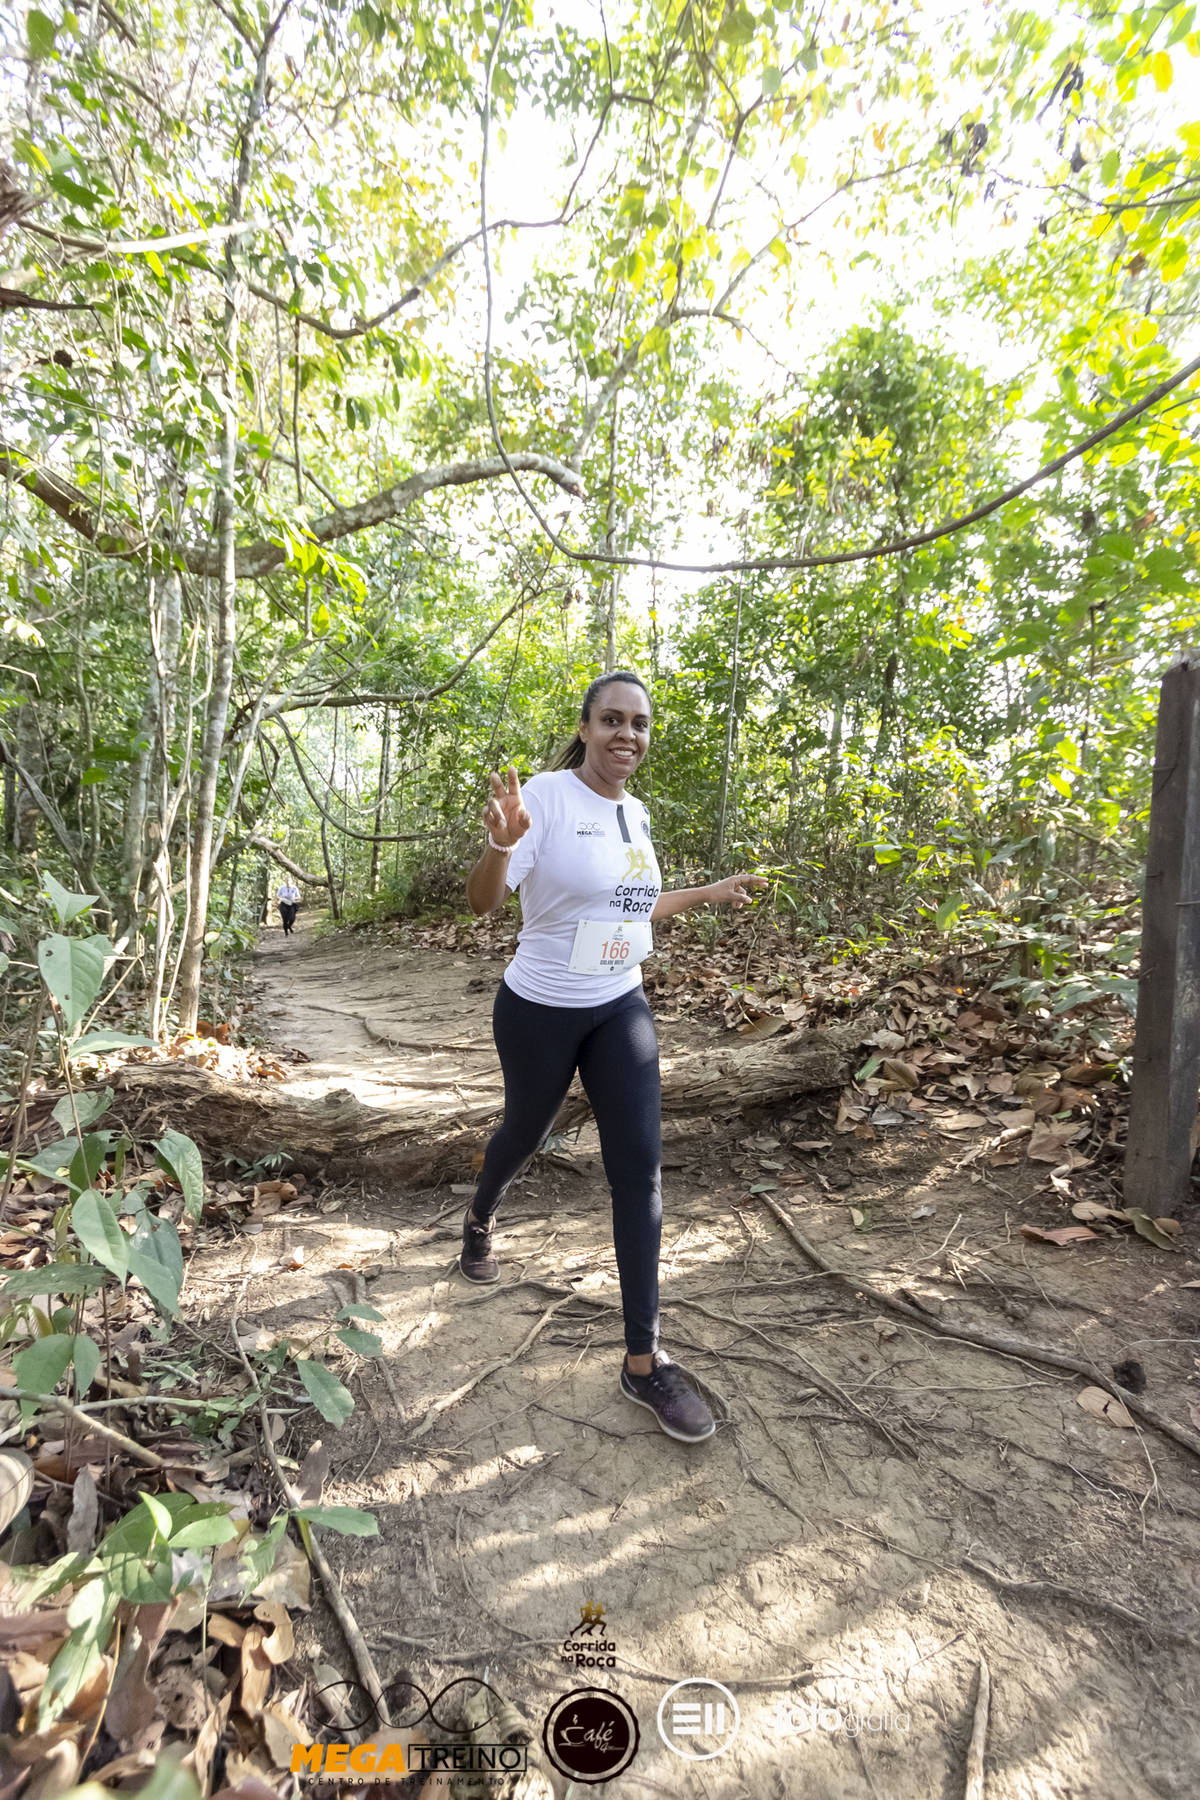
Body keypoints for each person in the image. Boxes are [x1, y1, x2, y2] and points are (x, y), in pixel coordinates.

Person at [463, 670, 767, 1443]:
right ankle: (480, 1215)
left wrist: (707, 892)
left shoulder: (636, 813)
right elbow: (485, 902)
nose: (626, 734)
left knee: (640, 1169)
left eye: (639, 723)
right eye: (612, 720)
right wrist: (500, 843)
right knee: (526, 1133)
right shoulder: (546, 798)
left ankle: (643, 1362)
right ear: (586, 726)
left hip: (619, 1003)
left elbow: (631, 907)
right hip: (539, 1008)